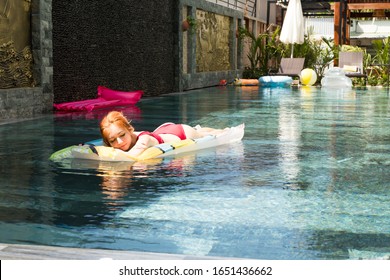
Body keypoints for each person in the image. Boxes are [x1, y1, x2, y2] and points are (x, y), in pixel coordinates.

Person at [99, 111, 225, 157]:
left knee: (202, 134)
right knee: (200, 131)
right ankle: (200, 129)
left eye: (122, 135)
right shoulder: (116, 139)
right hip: (163, 130)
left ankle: (223, 130)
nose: (119, 142)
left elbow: (131, 156)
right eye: (113, 140)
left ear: (130, 129)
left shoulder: (144, 139)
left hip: (182, 133)